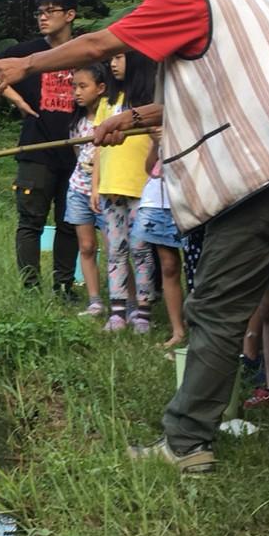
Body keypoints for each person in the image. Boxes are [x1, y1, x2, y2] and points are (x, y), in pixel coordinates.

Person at [0, 0, 269, 474]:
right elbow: (228, 88)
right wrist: (134, 118)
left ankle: (186, 442)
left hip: (258, 176)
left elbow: (102, 43)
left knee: (215, 307)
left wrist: (25, 66)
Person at [0, 0, 80, 295]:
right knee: (31, 220)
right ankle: (31, 288)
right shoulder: (28, 50)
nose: (43, 18)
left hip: (76, 150)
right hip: (36, 148)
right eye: (39, 12)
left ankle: (64, 286)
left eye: (50, 11)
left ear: (70, 14)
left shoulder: (82, 50)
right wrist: (15, 100)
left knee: (69, 223)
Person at [96, 51, 158, 333]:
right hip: (110, 187)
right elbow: (97, 147)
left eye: (120, 57)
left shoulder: (149, 105)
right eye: (112, 58)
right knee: (115, 250)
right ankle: (118, 310)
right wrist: (96, 185)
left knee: (141, 249)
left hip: (140, 187)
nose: (113, 63)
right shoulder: (107, 102)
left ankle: (143, 309)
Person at [63, 62, 111, 316]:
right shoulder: (77, 121)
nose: (77, 92)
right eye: (74, 87)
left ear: (101, 88)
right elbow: (78, 154)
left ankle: (127, 301)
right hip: (78, 188)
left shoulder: (112, 117)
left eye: (83, 86)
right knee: (86, 246)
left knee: (115, 248)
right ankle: (94, 301)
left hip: (106, 190)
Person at [133, 135, 185, 349]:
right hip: (157, 200)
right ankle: (178, 330)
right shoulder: (160, 126)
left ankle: (200, 325)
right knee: (169, 266)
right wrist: (155, 143)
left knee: (198, 267)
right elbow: (149, 168)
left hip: (188, 198)